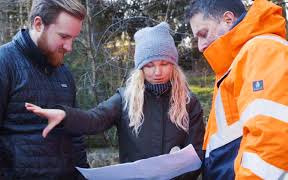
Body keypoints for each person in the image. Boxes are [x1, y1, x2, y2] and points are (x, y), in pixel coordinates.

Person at [26, 22, 205, 179]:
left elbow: (196, 153)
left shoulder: (190, 103)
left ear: (173, 65)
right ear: (140, 68)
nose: (157, 72)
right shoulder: (124, 99)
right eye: (149, 65)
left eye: (164, 64)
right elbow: (94, 119)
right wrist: (65, 116)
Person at [0, 0, 89, 179]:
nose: (69, 47)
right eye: (64, 37)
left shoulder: (64, 74)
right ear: (38, 24)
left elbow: (75, 137)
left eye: (73, 38)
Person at [185, 0, 288, 179]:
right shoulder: (234, 64)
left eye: (203, 34)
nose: (200, 46)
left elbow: (271, 142)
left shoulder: (262, 51)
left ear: (228, 19)